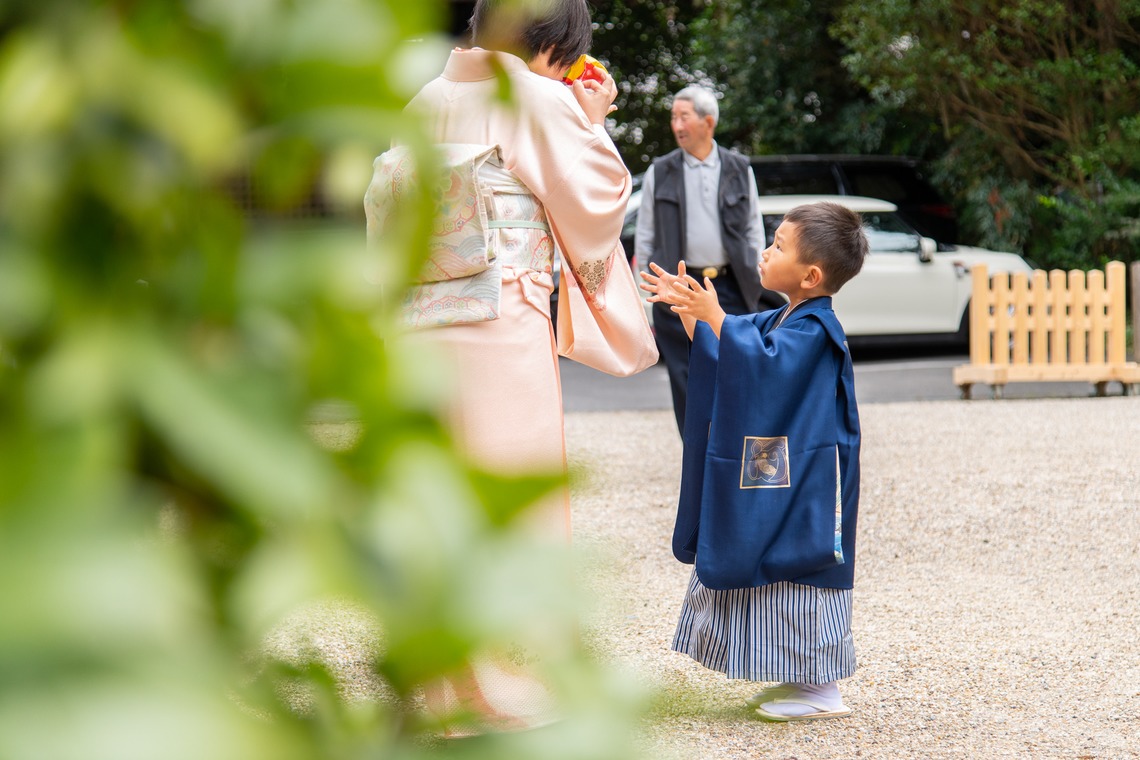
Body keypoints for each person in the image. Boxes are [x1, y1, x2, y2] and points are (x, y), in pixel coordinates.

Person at [365, 0, 657, 736]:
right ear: (554, 43)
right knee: (510, 489)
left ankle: (437, 682)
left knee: (438, 494)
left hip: (420, 324)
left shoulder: (425, 97)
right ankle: (507, 682)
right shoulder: (532, 95)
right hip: (500, 318)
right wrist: (588, 120)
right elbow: (598, 195)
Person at [639, 201, 868, 722]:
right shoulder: (788, 315)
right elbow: (741, 349)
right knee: (771, 554)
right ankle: (800, 677)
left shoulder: (818, 329)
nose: (765, 251)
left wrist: (716, 317)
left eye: (778, 246)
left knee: (803, 560)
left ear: (810, 276)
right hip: (789, 469)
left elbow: (765, 364)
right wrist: (700, 319)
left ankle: (822, 687)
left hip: (811, 477)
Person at [634, 85, 765, 435]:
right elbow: (646, 236)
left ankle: (735, 445)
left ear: (708, 122)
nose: (676, 124)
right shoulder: (660, 171)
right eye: (673, 117)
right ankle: (696, 450)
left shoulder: (739, 168)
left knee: (735, 365)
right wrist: (648, 293)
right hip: (678, 288)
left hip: (731, 286)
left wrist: (757, 278)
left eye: (684, 117)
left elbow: (754, 231)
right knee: (685, 373)